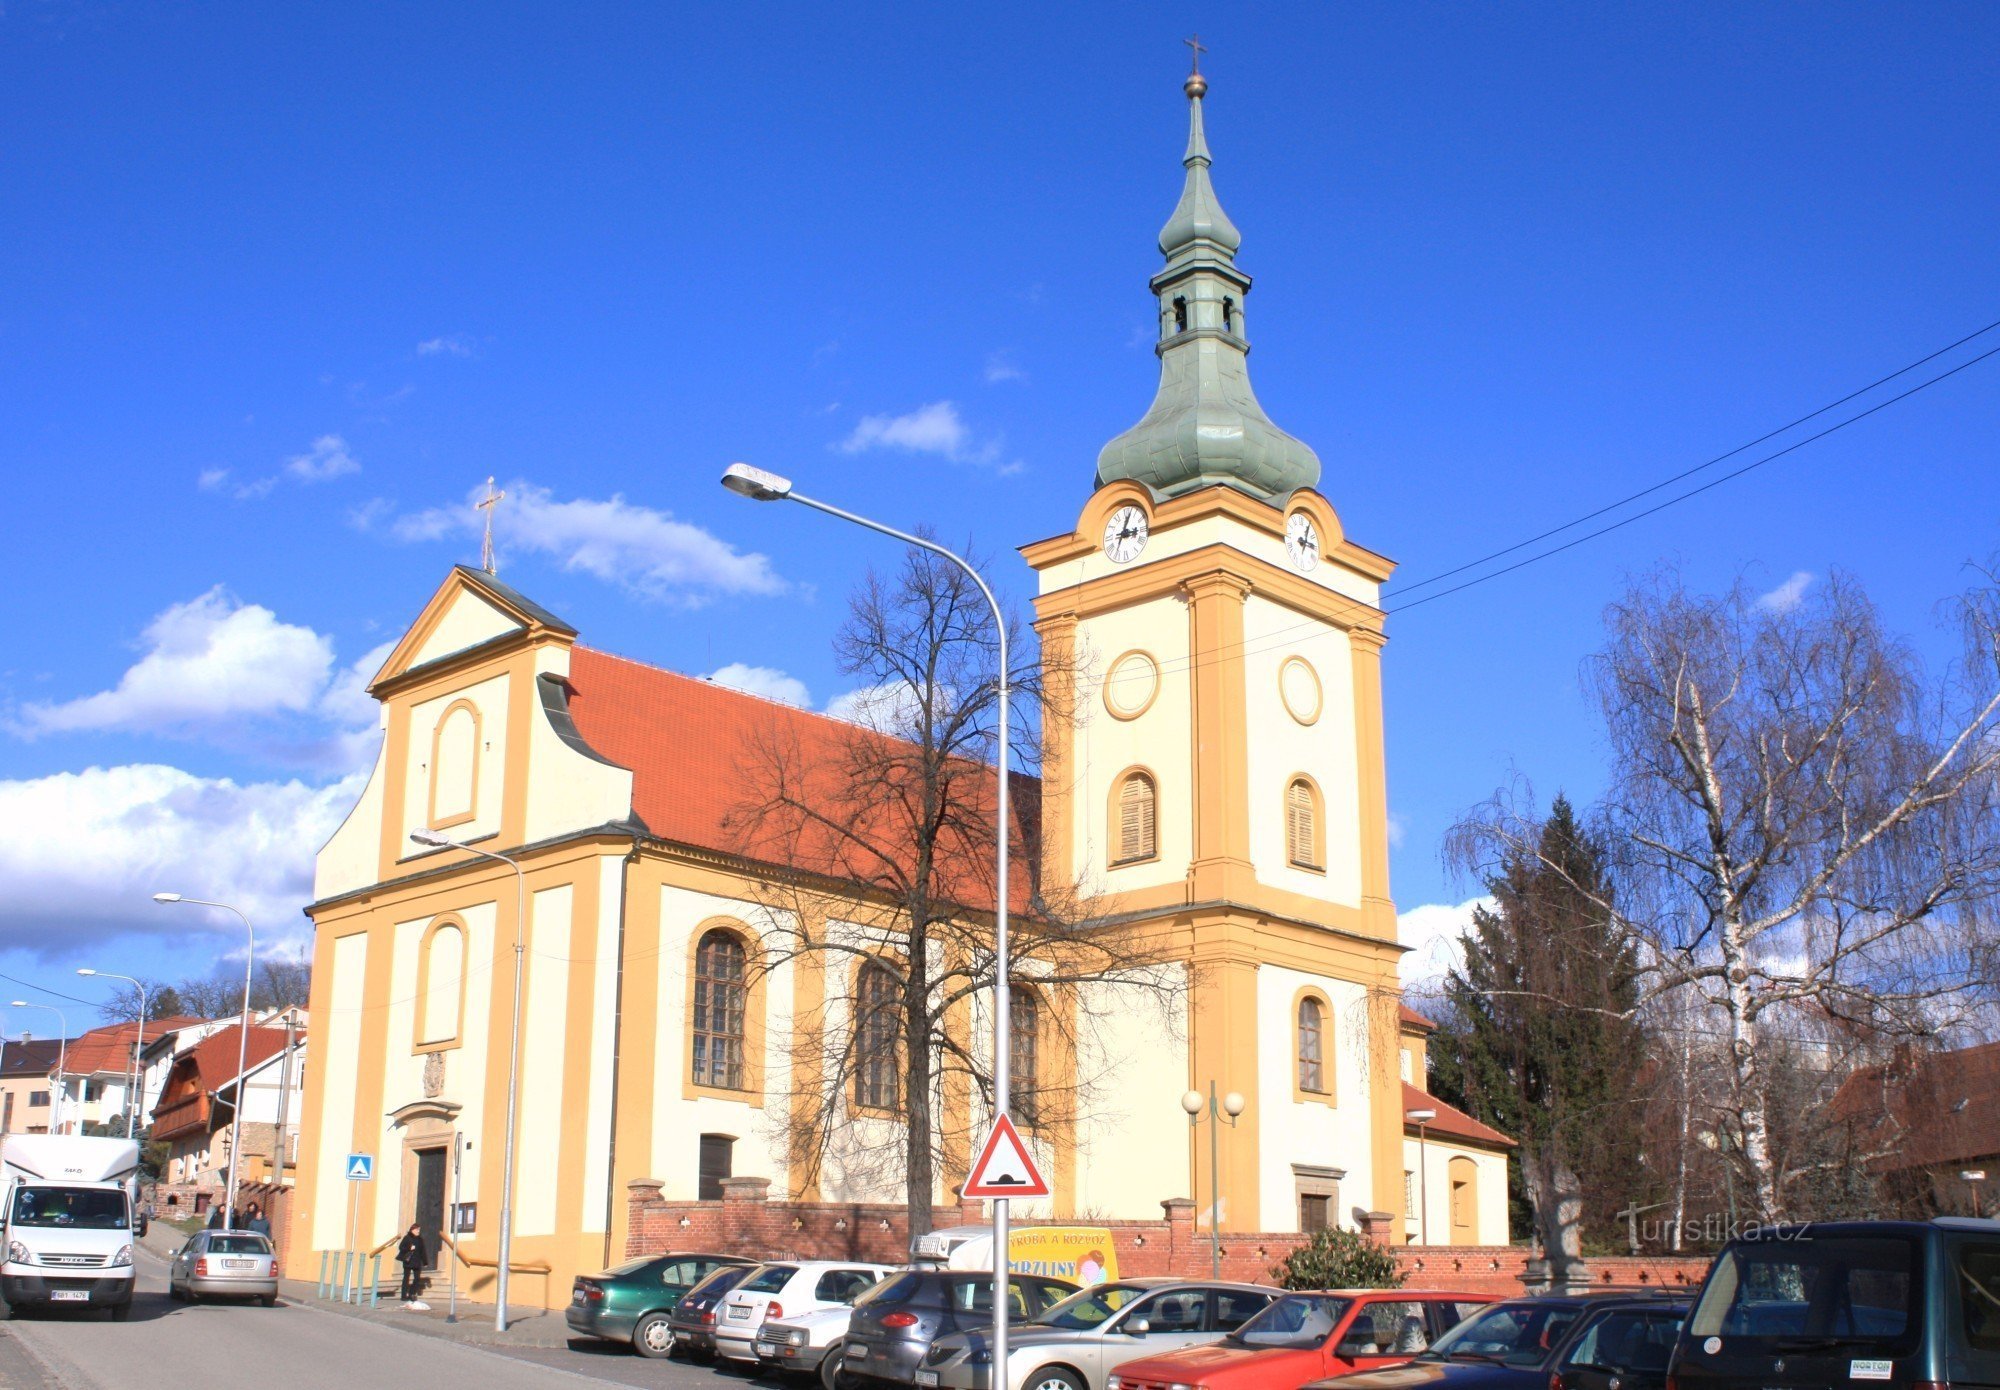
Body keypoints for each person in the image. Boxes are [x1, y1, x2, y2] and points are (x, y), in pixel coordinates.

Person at [396, 1223, 427, 1306]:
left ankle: (411, 1294)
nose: (418, 1231)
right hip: (408, 1261)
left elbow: (422, 1251)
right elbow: (401, 1247)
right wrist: (409, 1248)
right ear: (412, 1230)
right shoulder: (407, 1238)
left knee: (417, 1279)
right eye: (417, 1230)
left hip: (417, 1261)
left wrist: (425, 1262)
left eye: (419, 1230)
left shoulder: (420, 1239)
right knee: (406, 1278)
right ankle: (403, 1295)